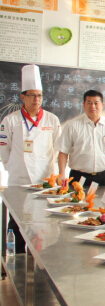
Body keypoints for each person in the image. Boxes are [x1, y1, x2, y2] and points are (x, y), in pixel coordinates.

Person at [0, 65, 61, 254]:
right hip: (19, 178)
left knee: (43, 221)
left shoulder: (52, 120)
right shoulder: (10, 120)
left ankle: (40, 259)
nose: (36, 99)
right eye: (32, 95)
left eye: (39, 96)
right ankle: (16, 258)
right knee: (17, 220)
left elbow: (58, 148)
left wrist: (55, 172)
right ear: (23, 97)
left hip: (45, 180)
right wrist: (12, 167)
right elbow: (4, 148)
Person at [57, 90, 105, 188]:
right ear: (84, 105)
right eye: (89, 103)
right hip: (79, 177)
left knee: (104, 198)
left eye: (96, 103)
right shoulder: (72, 126)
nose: (92, 106)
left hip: (104, 177)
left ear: (102, 105)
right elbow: (63, 152)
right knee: (78, 198)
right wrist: (61, 174)